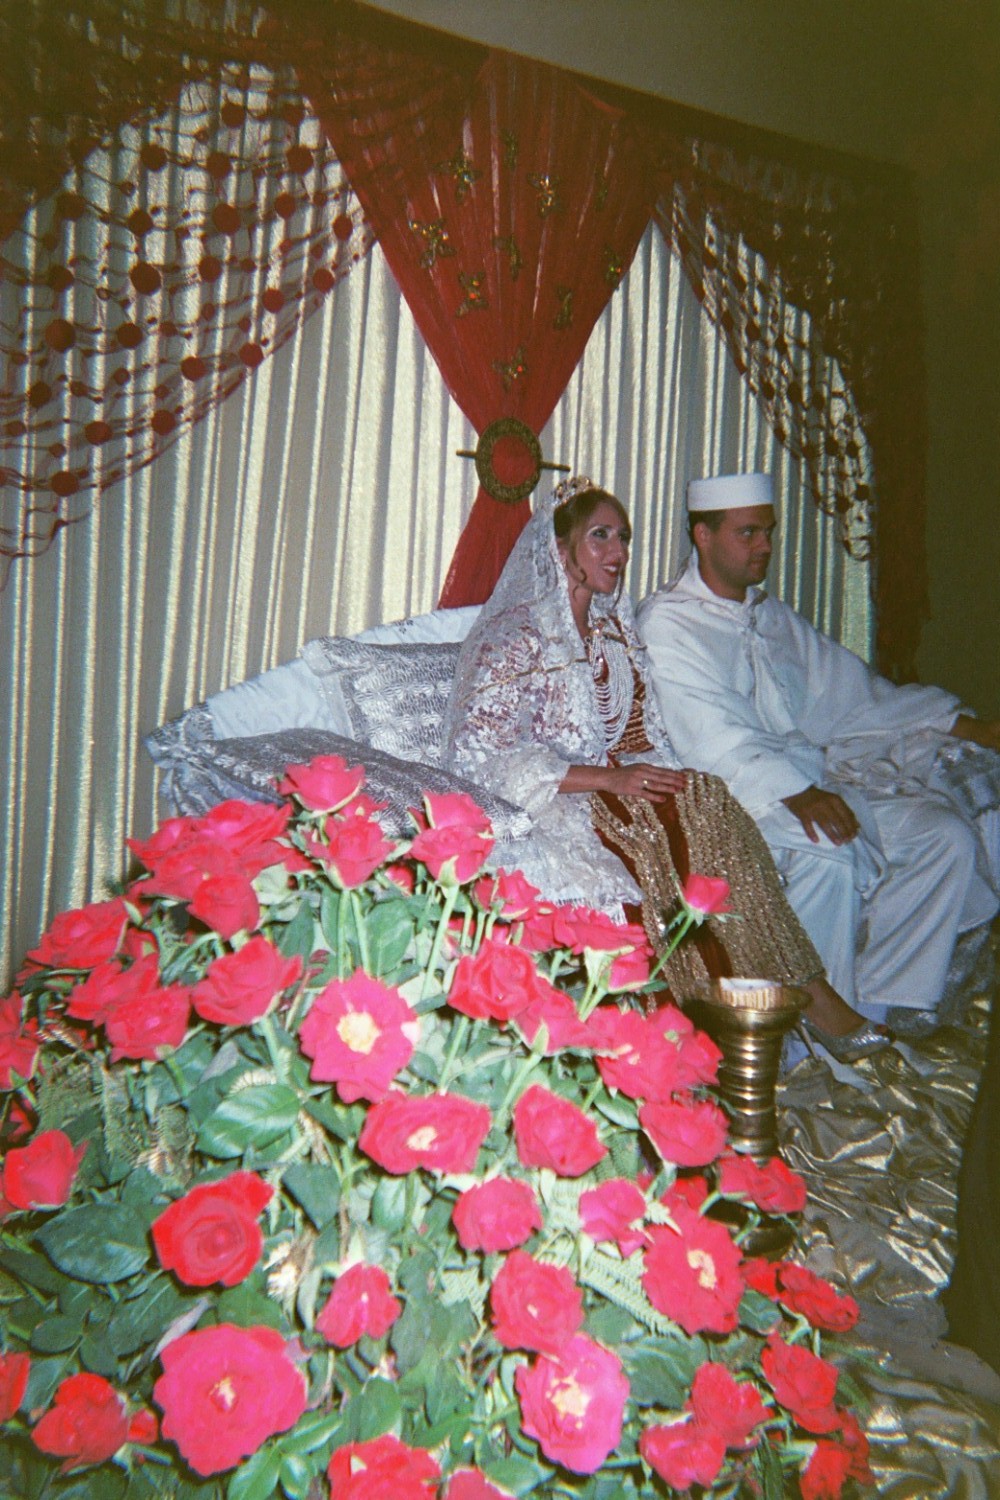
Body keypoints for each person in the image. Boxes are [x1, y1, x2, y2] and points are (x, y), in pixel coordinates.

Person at [443, 475, 884, 1053]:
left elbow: (644, 733)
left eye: (623, 538)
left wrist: (665, 780)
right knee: (681, 818)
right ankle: (791, 1005)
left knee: (705, 796)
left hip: (619, 789)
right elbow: (479, 755)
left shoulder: (614, 634)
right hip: (561, 797)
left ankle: (787, 1000)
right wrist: (610, 778)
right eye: (600, 536)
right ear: (559, 547)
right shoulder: (516, 637)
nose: (619, 552)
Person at [637, 470, 1000, 1034]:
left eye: (769, 532)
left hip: (815, 783)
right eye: (748, 533)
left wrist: (965, 726)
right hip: (741, 797)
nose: (765, 546)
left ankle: (883, 1010)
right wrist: (797, 792)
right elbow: (708, 735)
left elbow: (858, 697)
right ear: (702, 536)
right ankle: (817, 1039)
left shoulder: (770, 616)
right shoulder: (667, 622)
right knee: (828, 850)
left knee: (943, 836)